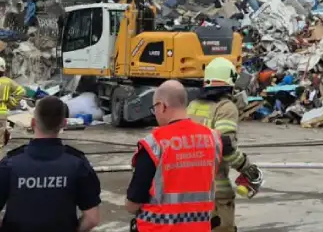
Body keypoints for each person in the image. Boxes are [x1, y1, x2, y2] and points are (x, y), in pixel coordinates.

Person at [126, 80, 221, 232]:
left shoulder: (154, 144)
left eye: (154, 108)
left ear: (162, 106)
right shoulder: (213, 138)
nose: (155, 113)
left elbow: (132, 204)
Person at [0, 95, 101, 232]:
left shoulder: (10, 163)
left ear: (33, 123)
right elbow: (92, 218)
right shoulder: (78, 163)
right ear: (64, 124)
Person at [188, 58, 262, 232]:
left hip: (189, 187)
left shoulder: (193, 105)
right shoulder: (226, 107)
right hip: (216, 191)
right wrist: (247, 167)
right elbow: (224, 145)